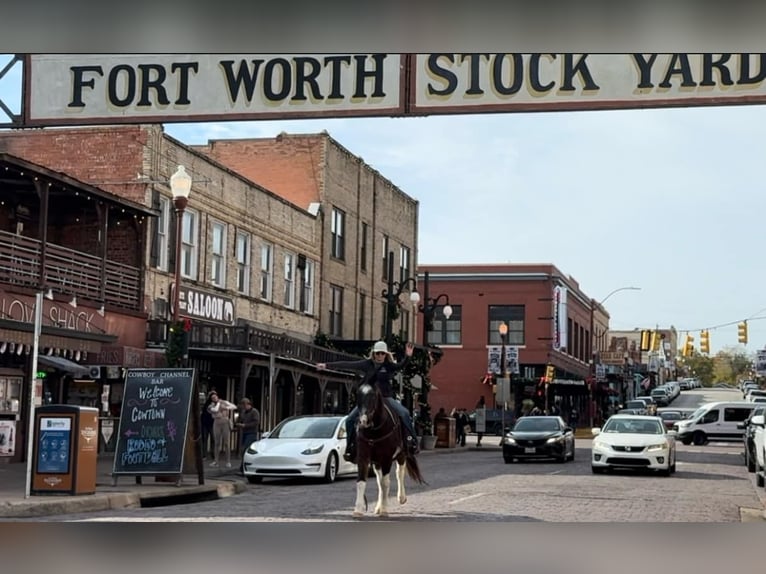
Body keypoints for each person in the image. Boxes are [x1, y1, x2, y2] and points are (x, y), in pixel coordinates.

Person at [317, 340, 418, 463]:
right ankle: (351, 447)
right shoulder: (366, 364)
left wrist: (408, 356)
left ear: (386, 355)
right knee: (349, 419)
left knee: (404, 413)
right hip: (369, 399)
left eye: (383, 353)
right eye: (378, 353)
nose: (380, 356)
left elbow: (401, 366)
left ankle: (411, 441)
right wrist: (326, 365)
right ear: (373, 354)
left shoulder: (388, 365)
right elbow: (348, 365)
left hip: (386, 397)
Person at [207, 391, 237, 468]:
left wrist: (226, 407)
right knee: (217, 443)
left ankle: (228, 461)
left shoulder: (224, 402)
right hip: (217, 422)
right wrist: (220, 404)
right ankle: (216, 461)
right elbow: (215, 410)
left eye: (215, 397)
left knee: (226, 443)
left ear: (217, 396)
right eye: (212, 398)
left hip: (225, 422)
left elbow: (234, 407)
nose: (214, 398)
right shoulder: (211, 405)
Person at [236, 397, 260, 471]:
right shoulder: (244, 412)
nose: (244, 408)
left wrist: (245, 425)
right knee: (244, 449)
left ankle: (243, 467)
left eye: (244, 406)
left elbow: (256, 422)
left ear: (247, 404)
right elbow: (241, 419)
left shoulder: (254, 412)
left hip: (251, 433)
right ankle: (242, 467)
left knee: (245, 449)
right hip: (245, 432)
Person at [201, 392, 215, 459]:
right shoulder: (207, 404)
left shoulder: (216, 404)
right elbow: (204, 413)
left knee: (213, 439)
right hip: (206, 424)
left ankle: (213, 454)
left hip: (212, 424)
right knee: (205, 439)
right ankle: (204, 454)